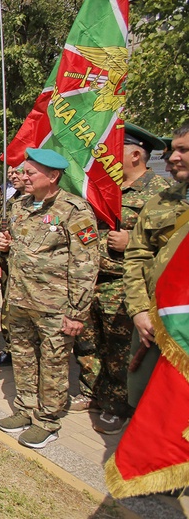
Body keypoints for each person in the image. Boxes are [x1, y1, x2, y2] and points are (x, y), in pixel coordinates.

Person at [0, 148, 99, 449]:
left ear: (52, 176)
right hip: (20, 299)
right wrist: (3, 245)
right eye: (23, 172)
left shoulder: (74, 210)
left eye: (30, 173)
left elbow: (86, 264)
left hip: (55, 307)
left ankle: (47, 421)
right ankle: (25, 410)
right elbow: (11, 253)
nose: (23, 177)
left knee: (53, 363)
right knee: (24, 357)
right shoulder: (20, 207)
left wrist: (77, 313)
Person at [71, 123, 170, 433]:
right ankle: (92, 393)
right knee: (87, 342)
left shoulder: (160, 194)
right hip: (91, 277)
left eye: (115, 150)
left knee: (117, 349)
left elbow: (171, 248)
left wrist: (133, 243)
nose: (107, 157)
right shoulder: (103, 186)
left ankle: (118, 404)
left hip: (125, 283)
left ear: (136, 154)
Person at [124, 122, 189, 411]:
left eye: (183, 150)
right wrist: (138, 310)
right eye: (173, 151)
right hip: (155, 323)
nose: (172, 158)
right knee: (145, 400)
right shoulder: (161, 201)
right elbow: (138, 256)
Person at [0, 164, 26, 367]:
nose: (12, 175)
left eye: (18, 171)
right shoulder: (11, 201)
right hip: (7, 265)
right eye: (10, 172)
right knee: (8, 310)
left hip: (31, 274)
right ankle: (11, 349)